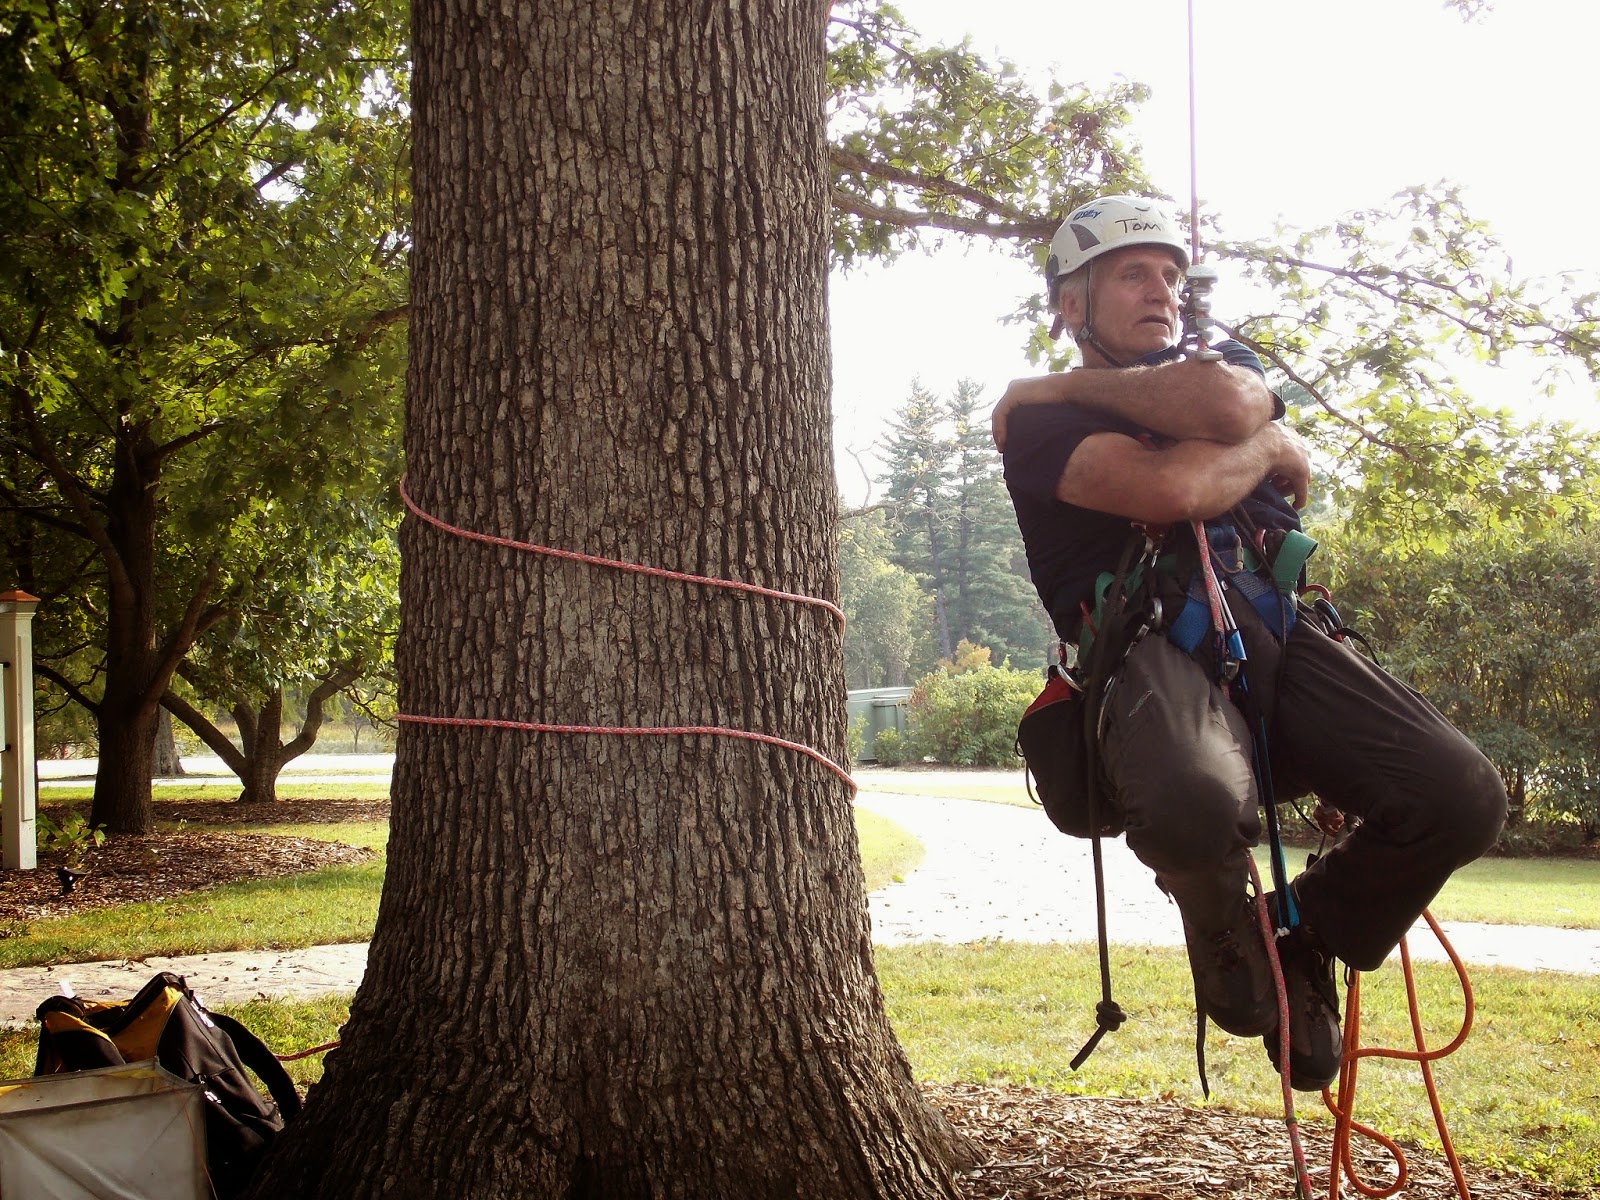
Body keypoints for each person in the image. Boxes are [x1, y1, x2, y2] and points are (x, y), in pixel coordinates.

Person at [994, 194, 1508, 1091]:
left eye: (1171, 276)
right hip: (1142, 657)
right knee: (1191, 795)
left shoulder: (1195, 377)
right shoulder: (1034, 428)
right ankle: (1220, 918)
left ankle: (1303, 931)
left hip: (1278, 628)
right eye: (1132, 275)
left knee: (1460, 797)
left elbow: (1226, 403)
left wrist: (1075, 385)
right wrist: (1263, 444)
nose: (1162, 291)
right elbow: (1171, 493)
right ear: (1070, 305)